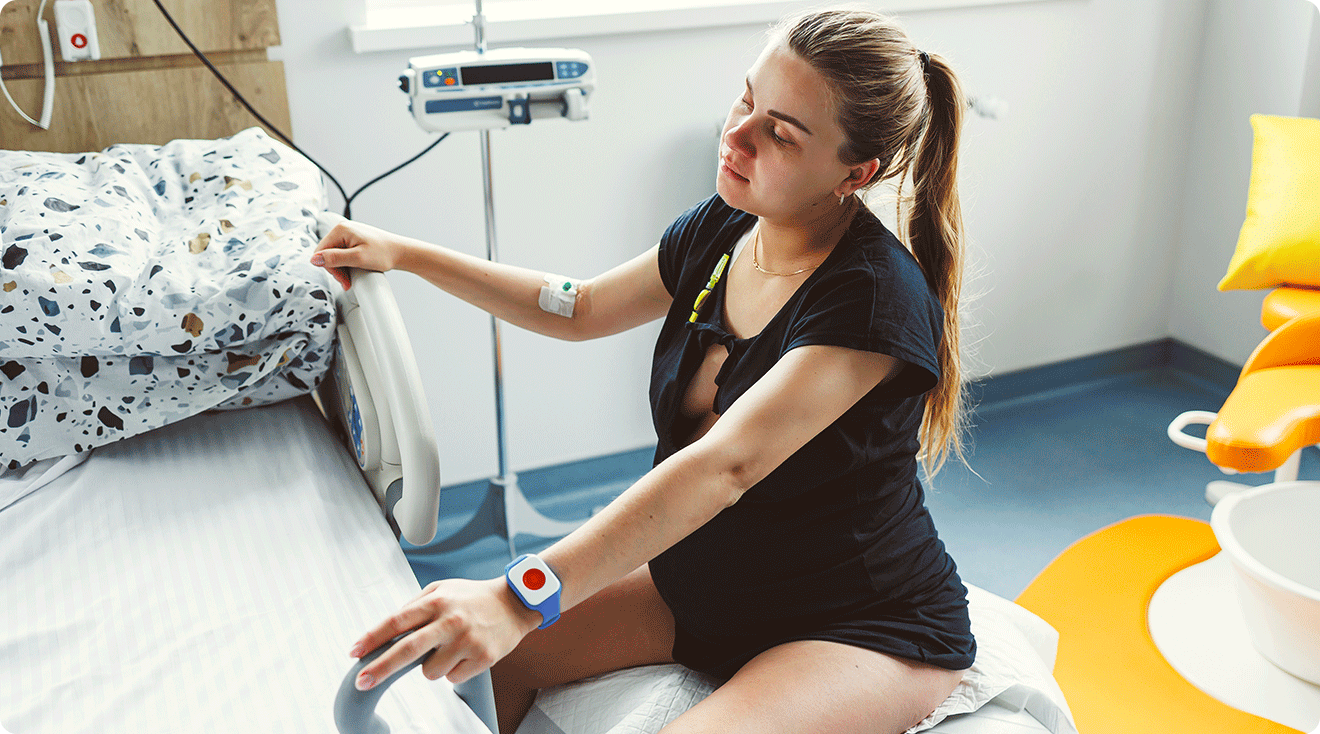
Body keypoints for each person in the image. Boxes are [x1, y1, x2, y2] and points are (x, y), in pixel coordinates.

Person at [312, 8, 974, 733]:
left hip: (854, 620)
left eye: (779, 133)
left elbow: (725, 467)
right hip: (710, 584)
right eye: (746, 99)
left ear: (857, 172)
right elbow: (580, 305)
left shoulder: (872, 300)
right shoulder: (724, 230)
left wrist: (517, 596)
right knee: (491, 661)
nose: (737, 135)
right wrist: (405, 253)